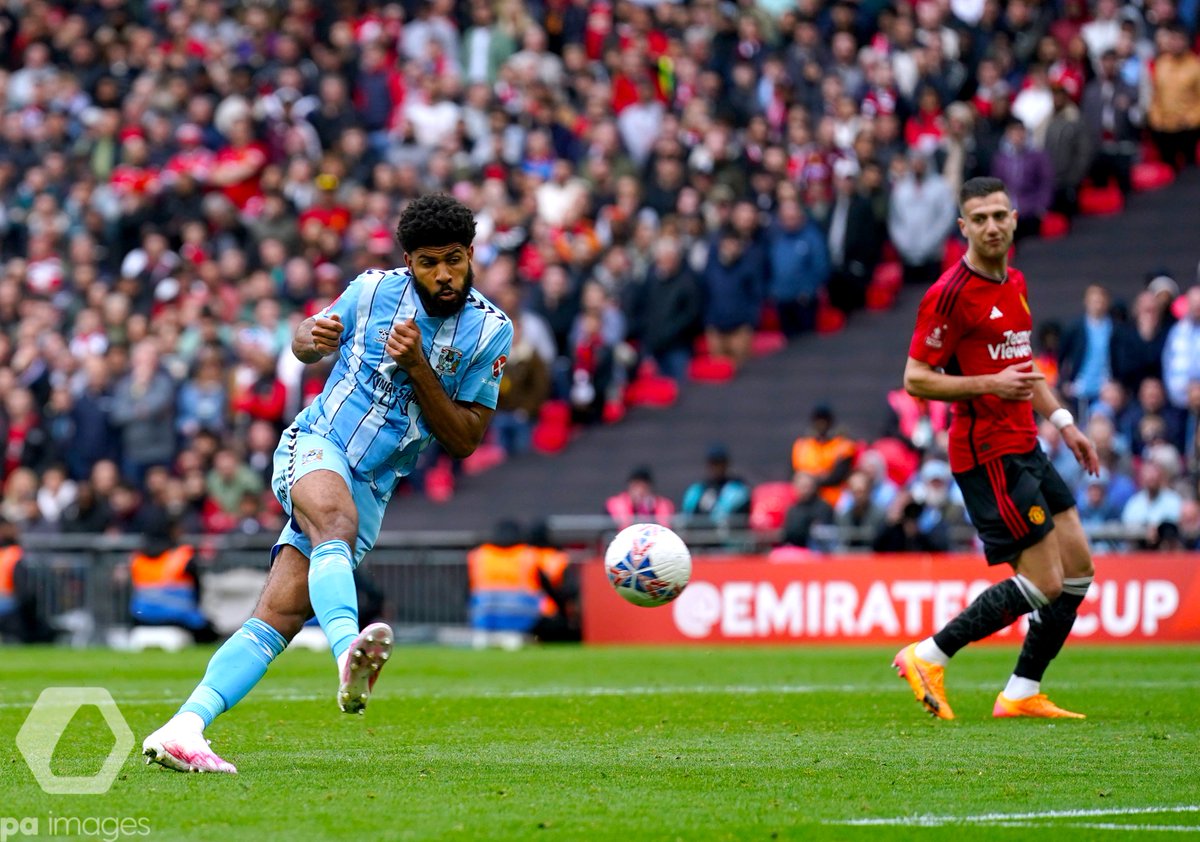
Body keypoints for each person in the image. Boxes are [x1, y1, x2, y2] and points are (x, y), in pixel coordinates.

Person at [142, 194, 514, 774]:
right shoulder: (370, 291)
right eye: (426, 262)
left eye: (452, 260)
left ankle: (184, 727)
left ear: (470, 254)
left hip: (374, 482)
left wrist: (418, 368)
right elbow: (302, 341)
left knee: (279, 618)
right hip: (316, 443)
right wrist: (309, 337)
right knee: (333, 523)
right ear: (407, 262)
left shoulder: (490, 333)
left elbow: (465, 438)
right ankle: (349, 654)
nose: (442, 274)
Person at [894, 176, 1100, 721]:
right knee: (1045, 582)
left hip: (1027, 442)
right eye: (978, 218)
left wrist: (1064, 422)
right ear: (963, 226)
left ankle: (1021, 691)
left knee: (1078, 571)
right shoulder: (948, 294)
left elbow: (1023, 367)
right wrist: (987, 384)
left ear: (1014, 219)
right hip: (986, 451)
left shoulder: (1016, 282)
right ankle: (928, 654)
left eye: (999, 216)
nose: (990, 226)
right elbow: (916, 379)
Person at [129, 508, 218, 643]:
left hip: (141, 619)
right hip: (179, 619)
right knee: (211, 633)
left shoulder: (137, 560)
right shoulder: (182, 556)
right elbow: (197, 592)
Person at [680, 445, 752, 525]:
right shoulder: (698, 490)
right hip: (699, 534)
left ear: (726, 464)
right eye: (713, 463)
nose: (717, 467)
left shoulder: (737, 489)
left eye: (720, 462)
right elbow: (687, 514)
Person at [606, 466, 675, 529]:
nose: (639, 491)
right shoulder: (615, 504)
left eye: (643, 487)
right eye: (636, 486)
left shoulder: (661, 504)